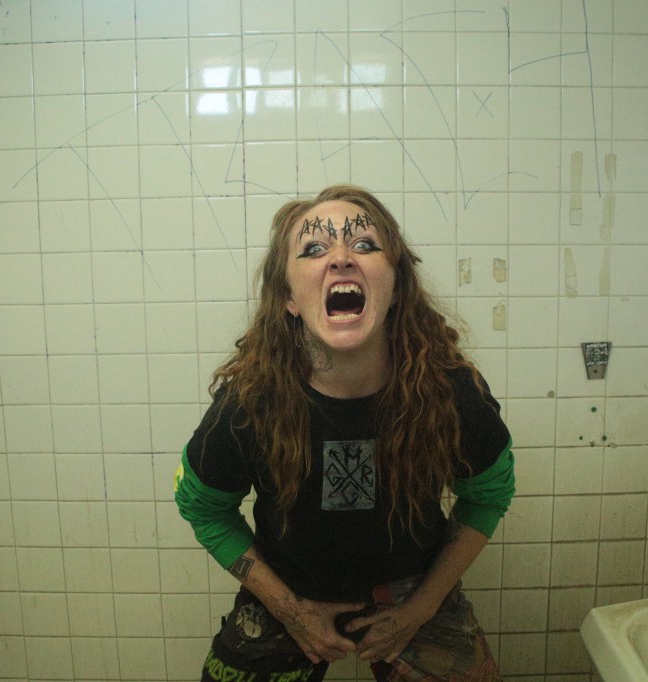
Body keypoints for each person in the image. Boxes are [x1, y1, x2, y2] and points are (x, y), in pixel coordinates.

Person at [174, 185, 514, 682]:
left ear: (397, 286)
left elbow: (488, 495)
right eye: (313, 249)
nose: (340, 258)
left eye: (364, 244)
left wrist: (421, 608)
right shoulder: (249, 402)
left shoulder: (451, 392)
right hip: (290, 588)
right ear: (288, 298)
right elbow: (203, 508)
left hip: (415, 586)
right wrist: (289, 610)